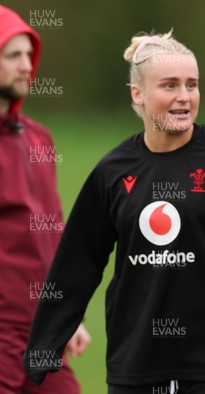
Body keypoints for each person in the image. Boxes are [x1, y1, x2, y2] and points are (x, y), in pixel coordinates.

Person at [23, 30, 205, 394]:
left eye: (192, 85)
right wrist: (45, 345)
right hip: (137, 363)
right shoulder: (113, 170)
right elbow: (77, 261)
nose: (184, 97)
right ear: (137, 94)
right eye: (170, 86)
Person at [0, 5, 90, 394]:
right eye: (12, 55)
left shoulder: (39, 138)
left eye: (28, 55)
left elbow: (54, 233)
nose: (26, 65)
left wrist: (69, 314)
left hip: (44, 332)